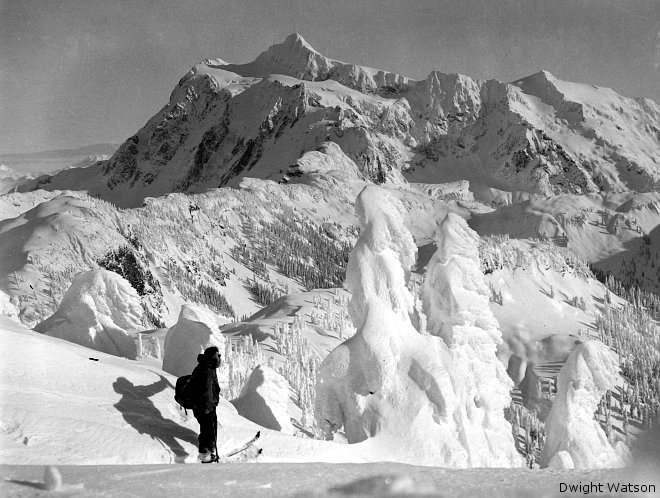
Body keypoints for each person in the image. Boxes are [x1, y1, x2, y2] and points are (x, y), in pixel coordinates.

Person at [189, 346, 221, 463]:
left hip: (206, 405)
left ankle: (209, 452)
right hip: (204, 406)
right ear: (212, 357)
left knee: (209, 428)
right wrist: (208, 407)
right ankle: (204, 455)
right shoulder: (206, 370)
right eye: (218, 355)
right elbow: (206, 390)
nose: (219, 357)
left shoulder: (208, 367)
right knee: (207, 430)